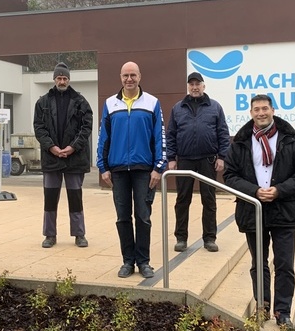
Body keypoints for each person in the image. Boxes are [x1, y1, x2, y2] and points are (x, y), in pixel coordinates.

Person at [223, 94, 295, 329]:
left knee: (284, 264)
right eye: (256, 109)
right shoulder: (241, 141)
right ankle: (262, 307)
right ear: (251, 113)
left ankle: (283, 312)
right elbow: (230, 175)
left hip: (284, 209)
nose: (261, 113)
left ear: (272, 110)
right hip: (254, 209)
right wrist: (254, 191)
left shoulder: (291, 139)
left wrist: (280, 190)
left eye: (265, 108)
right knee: (259, 263)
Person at [96, 61, 166, 279]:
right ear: (120, 77)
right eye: (125, 75)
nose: (129, 79)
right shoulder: (110, 104)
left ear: (140, 76)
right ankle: (128, 261)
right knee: (122, 217)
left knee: (143, 217)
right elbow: (102, 138)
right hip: (117, 170)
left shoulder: (152, 103)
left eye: (133, 75)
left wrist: (158, 168)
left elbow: (159, 138)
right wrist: (103, 166)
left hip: (144, 170)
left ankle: (144, 262)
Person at [166, 72, 230, 253]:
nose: (194, 87)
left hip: (208, 160)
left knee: (209, 200)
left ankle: (210, 238)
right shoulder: (178, 108)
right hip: (185, 161)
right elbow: (171, 135)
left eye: (198, 84)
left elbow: (223, 133)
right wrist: (171, 158)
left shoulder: (215, 107)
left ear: (204, 86)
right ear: (188, 86)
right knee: (182, 200)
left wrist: (222, 157)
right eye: (191, 84)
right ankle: (181, 238)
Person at [34, 62, 93, 248]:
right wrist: (51, 147)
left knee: (75, 197)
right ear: (54, 79)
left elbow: (86, 127)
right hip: (51, 158)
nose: (62, 81)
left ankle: (79, 234)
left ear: (69, 79)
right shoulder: (42, 102)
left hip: (74, 159)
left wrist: (73, 147)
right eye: (59, 78)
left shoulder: (81, 101)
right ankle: (49, 235)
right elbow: (39, 128)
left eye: (65, 78)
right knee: (50, 198)